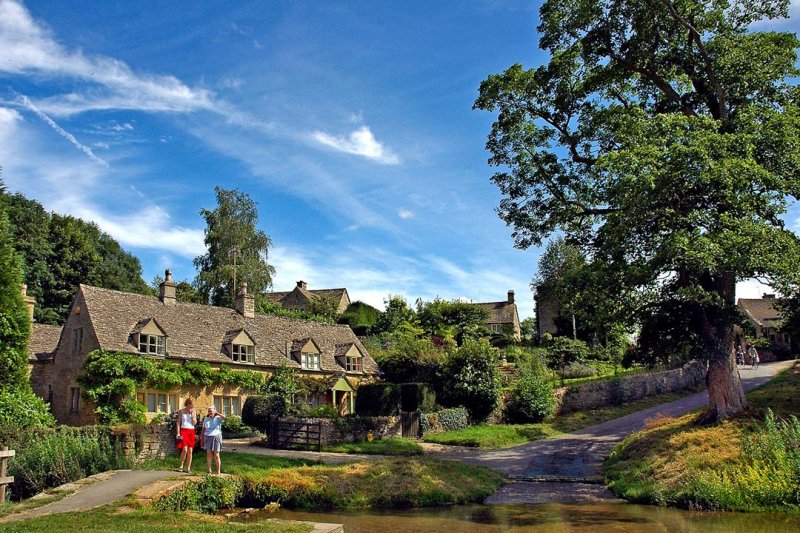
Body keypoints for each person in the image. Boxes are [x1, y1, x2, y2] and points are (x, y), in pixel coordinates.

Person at [201, 405, 226, 475]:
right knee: (209, 454)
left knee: (216, 454)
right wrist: (202, 439)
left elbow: (224, 417)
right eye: (209, 411)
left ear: (214, 411)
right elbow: (203, 430)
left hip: (216, 436)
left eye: (211, 411)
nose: (210, 412)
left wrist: (217, 413)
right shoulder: (206, 419)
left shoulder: (218, 418)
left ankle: (218, 472)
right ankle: (209, 471)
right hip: (207, 437)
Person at [176, 398, 196, 473]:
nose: (192, 407)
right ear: (187, 404)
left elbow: (194, 423)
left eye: (193, 405)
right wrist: (178, 433)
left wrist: (192, 415)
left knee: (190, 451)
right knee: (184, 449)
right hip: (183, 431)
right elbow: (178, 422)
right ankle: (181, 465)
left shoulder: (193, 411)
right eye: (191, 405)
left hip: (191, 431)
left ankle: (188, 468)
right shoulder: (181, 411)